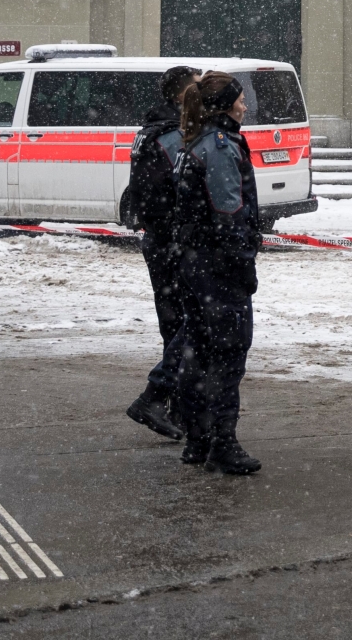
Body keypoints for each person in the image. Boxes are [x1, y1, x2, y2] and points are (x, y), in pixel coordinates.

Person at [160, 72, 263, 473]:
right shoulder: (220, 147)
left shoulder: (197, 142)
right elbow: (228, 212)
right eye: (240, 100)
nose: (245, 106)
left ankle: (198, 440)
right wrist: (241, 264)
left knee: (198, 353)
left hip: (194, 264)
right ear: (225, 106)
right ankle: (222, 442)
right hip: (216, 267)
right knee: (228, 354)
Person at [123, 64, 200, 442]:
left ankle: (175, 408)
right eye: (197, 88)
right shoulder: (172, 134)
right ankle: (159, 398)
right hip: (173, 242)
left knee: (174, 325)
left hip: (158, 239)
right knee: (192, 325)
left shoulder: (149, 130)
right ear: (183, 94)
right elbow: (182, 190)